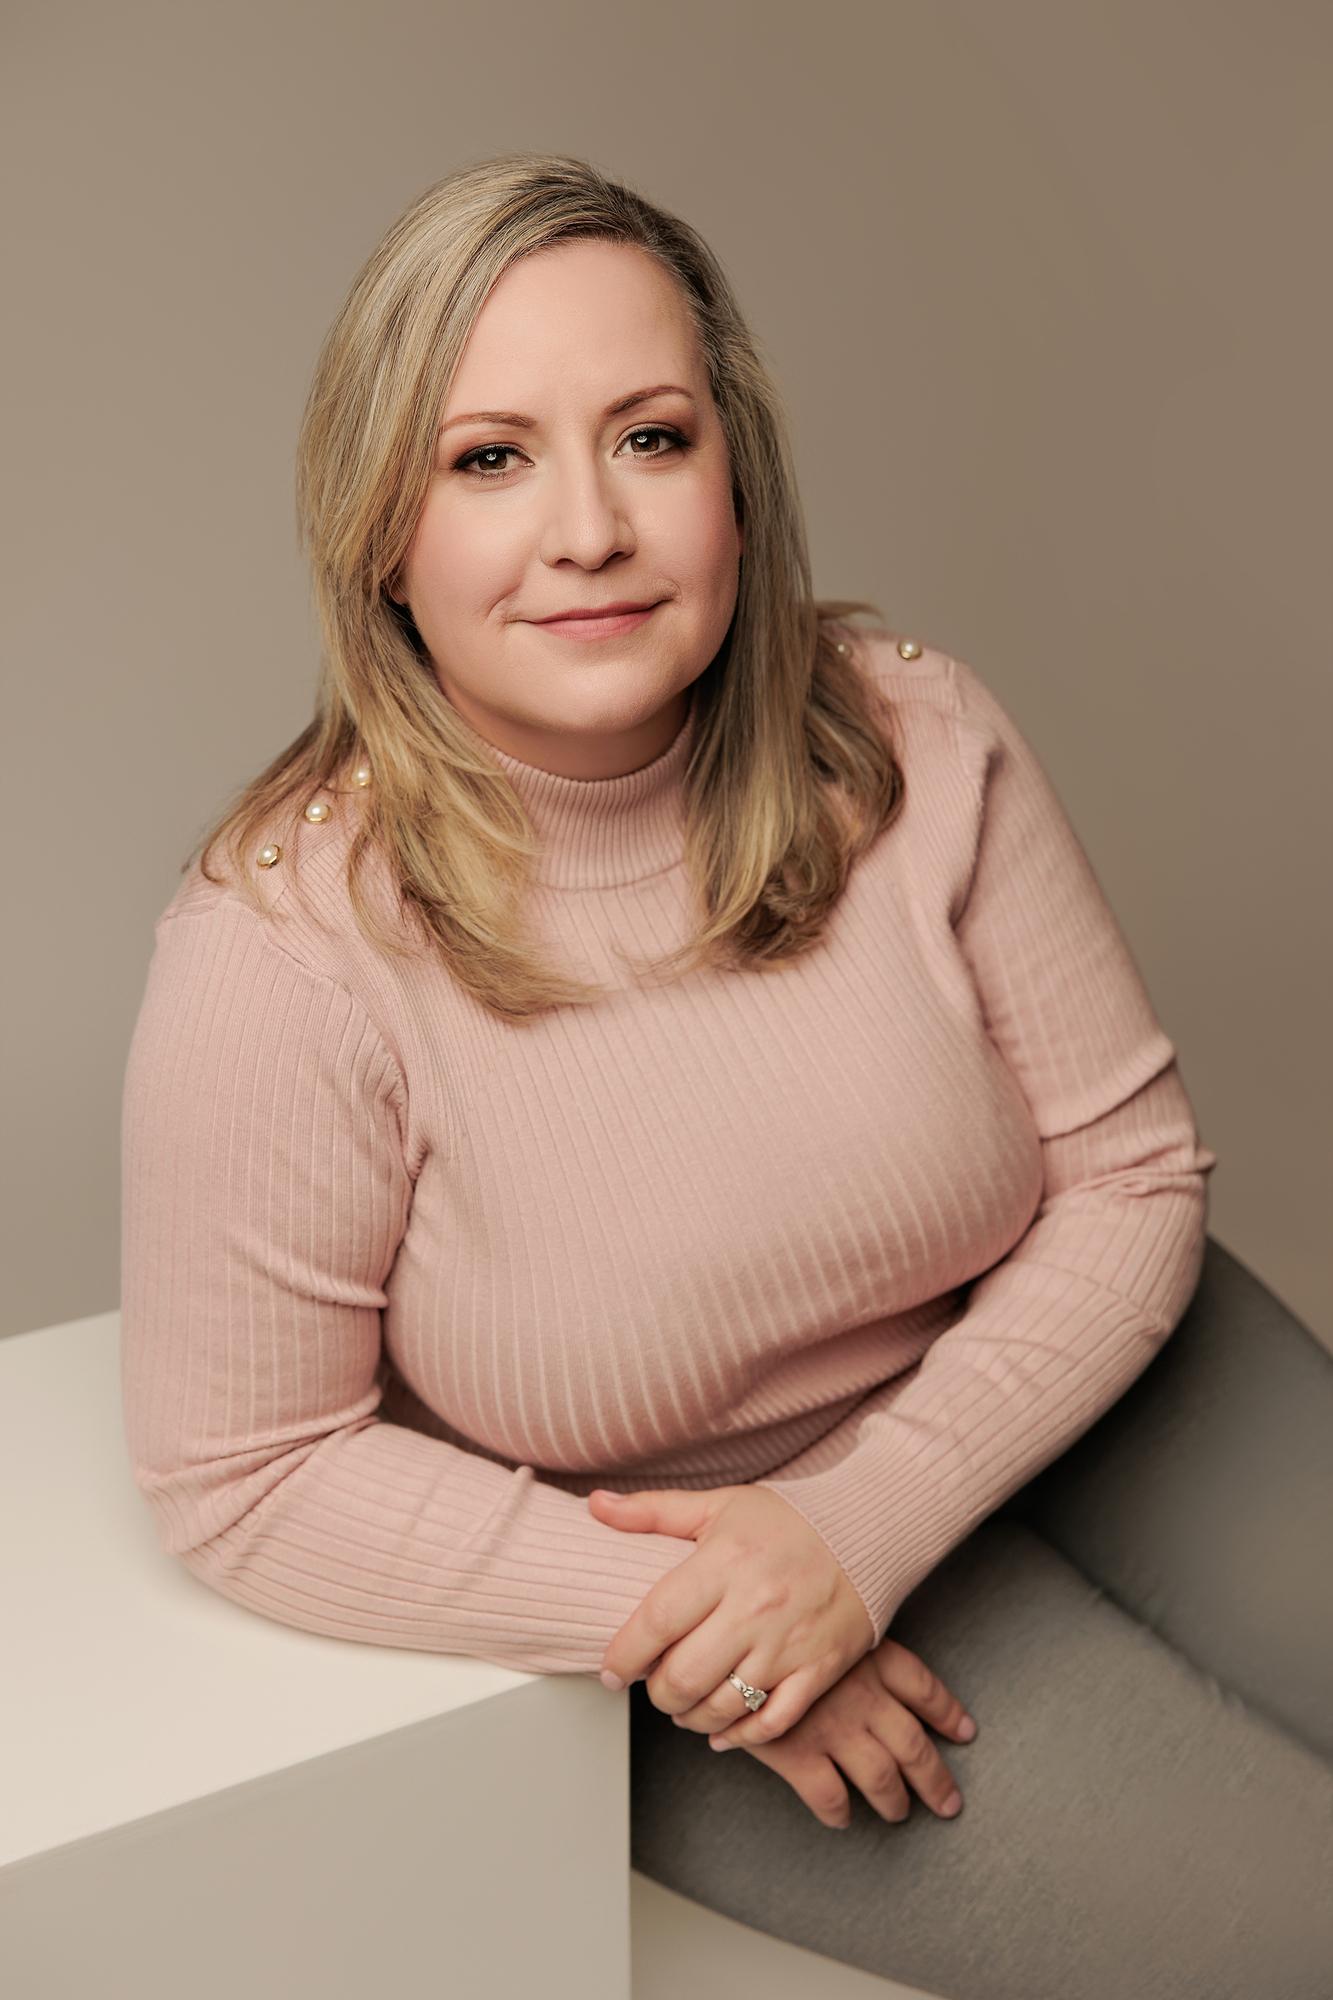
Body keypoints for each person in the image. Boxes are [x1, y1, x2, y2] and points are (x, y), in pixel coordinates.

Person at [119, 152, 1332, 1995]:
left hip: (1104, 1375)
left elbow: (1133, 1177)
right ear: (380, 529)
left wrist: (863, 1518)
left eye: (652, 438)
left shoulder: (913, 728)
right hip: (709, 1602)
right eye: (489, 457)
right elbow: (245, 1472)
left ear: (736, 484)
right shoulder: (281, 947)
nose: (588, 528)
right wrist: (693, 1618)